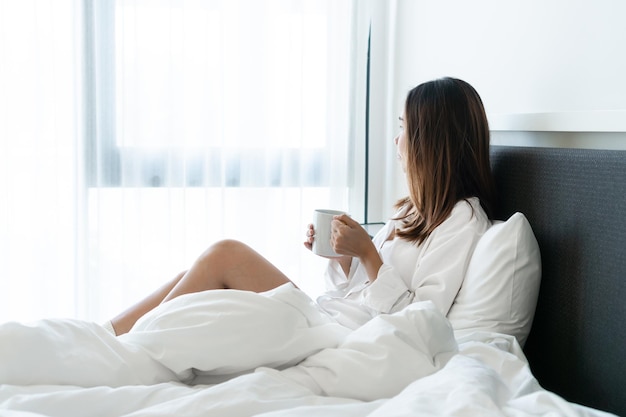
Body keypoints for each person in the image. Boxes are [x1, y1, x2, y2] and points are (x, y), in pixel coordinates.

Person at [107, 77, 496, 336]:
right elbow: (358, 291)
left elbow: (420, 327)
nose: (397, 142)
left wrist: (368, 254)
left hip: (337, 338)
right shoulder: (411, 211)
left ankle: (124, 347)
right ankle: (106, 335)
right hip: (327, 318)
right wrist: (344, 257)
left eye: (404, 129)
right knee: (199, 277)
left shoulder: (461, 221)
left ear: (431, 142)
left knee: (224, 256)